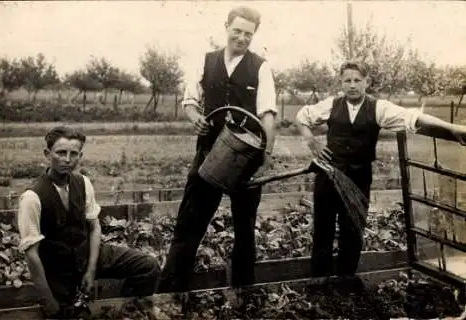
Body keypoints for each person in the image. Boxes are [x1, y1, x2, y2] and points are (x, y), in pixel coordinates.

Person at [295, 60, 466, 279]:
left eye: (357, 80)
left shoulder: (379, 108)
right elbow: (301, 117)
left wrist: (452, 129)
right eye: (347, 80)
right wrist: (312, 141)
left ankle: (345, 281)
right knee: (323, 230)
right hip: (327, 177)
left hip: (358, 179)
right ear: (341, 82)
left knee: (352, 231)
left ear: (367, 82)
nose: (352, 85)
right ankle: (319, 282)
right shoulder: (331, 105)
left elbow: (413, 118)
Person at [158, 6, 278, 293]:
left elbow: (268, 114)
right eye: (237, 30)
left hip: (245, 155)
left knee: (245, 230)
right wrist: (194, 118)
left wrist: (267, 155)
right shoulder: (206, 60)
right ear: (226, 27)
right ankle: (171, 293)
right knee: (189, 224)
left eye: (248, 33)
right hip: (209, 153)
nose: (242, 37)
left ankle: (243, 293)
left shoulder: (261, 66)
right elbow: (189, 101)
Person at [17, 126, 161, 319]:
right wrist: (47, 300)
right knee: (68, 313)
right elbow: (32, 255)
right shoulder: (32, 197)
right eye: (61, 153)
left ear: (80, 156)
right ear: (47, 154)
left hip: (86, 254)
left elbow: (94, 228)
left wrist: (91, 271)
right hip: (59, 268)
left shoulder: (83, 182)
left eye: (73, 154)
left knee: (148, 267)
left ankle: (126, 312)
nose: (67, 159)